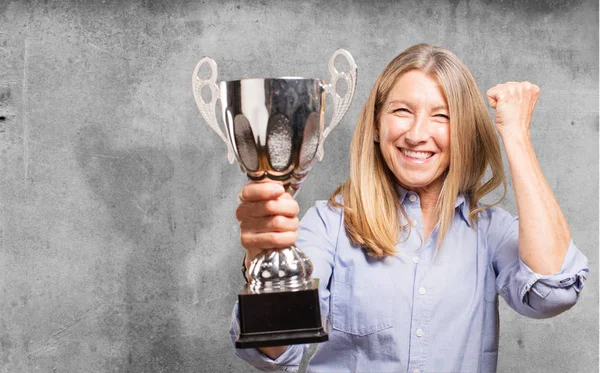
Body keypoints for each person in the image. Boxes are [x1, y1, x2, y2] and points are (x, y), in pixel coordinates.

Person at [230, 44, 589, 372]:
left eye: (442, 116)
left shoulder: (491, 231)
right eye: (402, 111)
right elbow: (275, 351)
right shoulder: (328, 225)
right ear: (376, 124)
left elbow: (554, 293)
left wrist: (516, 135)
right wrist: (263, 259)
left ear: (462, 131)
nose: (417, 134)